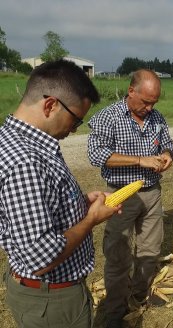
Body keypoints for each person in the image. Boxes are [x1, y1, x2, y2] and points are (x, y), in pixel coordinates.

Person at [0, 59, 120, 328]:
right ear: (51, 105)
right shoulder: (26, 162)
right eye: (76, 119)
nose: (75, 128)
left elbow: (34, 209)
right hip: (52, 301)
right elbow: (41, 258)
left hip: (42, 296)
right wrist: (91, 220)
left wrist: (79, 204)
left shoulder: (14, 141)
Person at [87, 69, 173, 328]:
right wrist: (140, 160)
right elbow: (96, 155)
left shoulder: (157, 117)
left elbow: (168, 144)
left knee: (150, 250)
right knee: (118, 255)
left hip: (152, 193)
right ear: (131, 91)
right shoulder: (108, 117)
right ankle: (115, 313)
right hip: (120, 195)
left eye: (154, 103)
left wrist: (167, 155)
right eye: (145, 101)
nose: (149, 107)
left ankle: (138, 296)